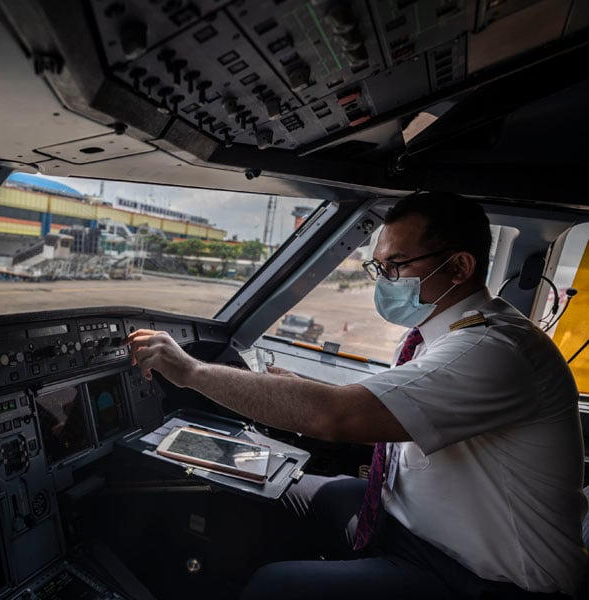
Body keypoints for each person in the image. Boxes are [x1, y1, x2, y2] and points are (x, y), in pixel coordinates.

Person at [126, 193, 588, 599]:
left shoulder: (491, 349)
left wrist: (189, 371)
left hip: (484, 577)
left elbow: (339, 416)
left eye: (396, 265)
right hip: (412, 522)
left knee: (276, 588)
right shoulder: (441, 335)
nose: (383, 279)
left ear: (460, 266)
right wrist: (298, 387)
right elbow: (387, 404)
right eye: (379, 266)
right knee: (276, 495)